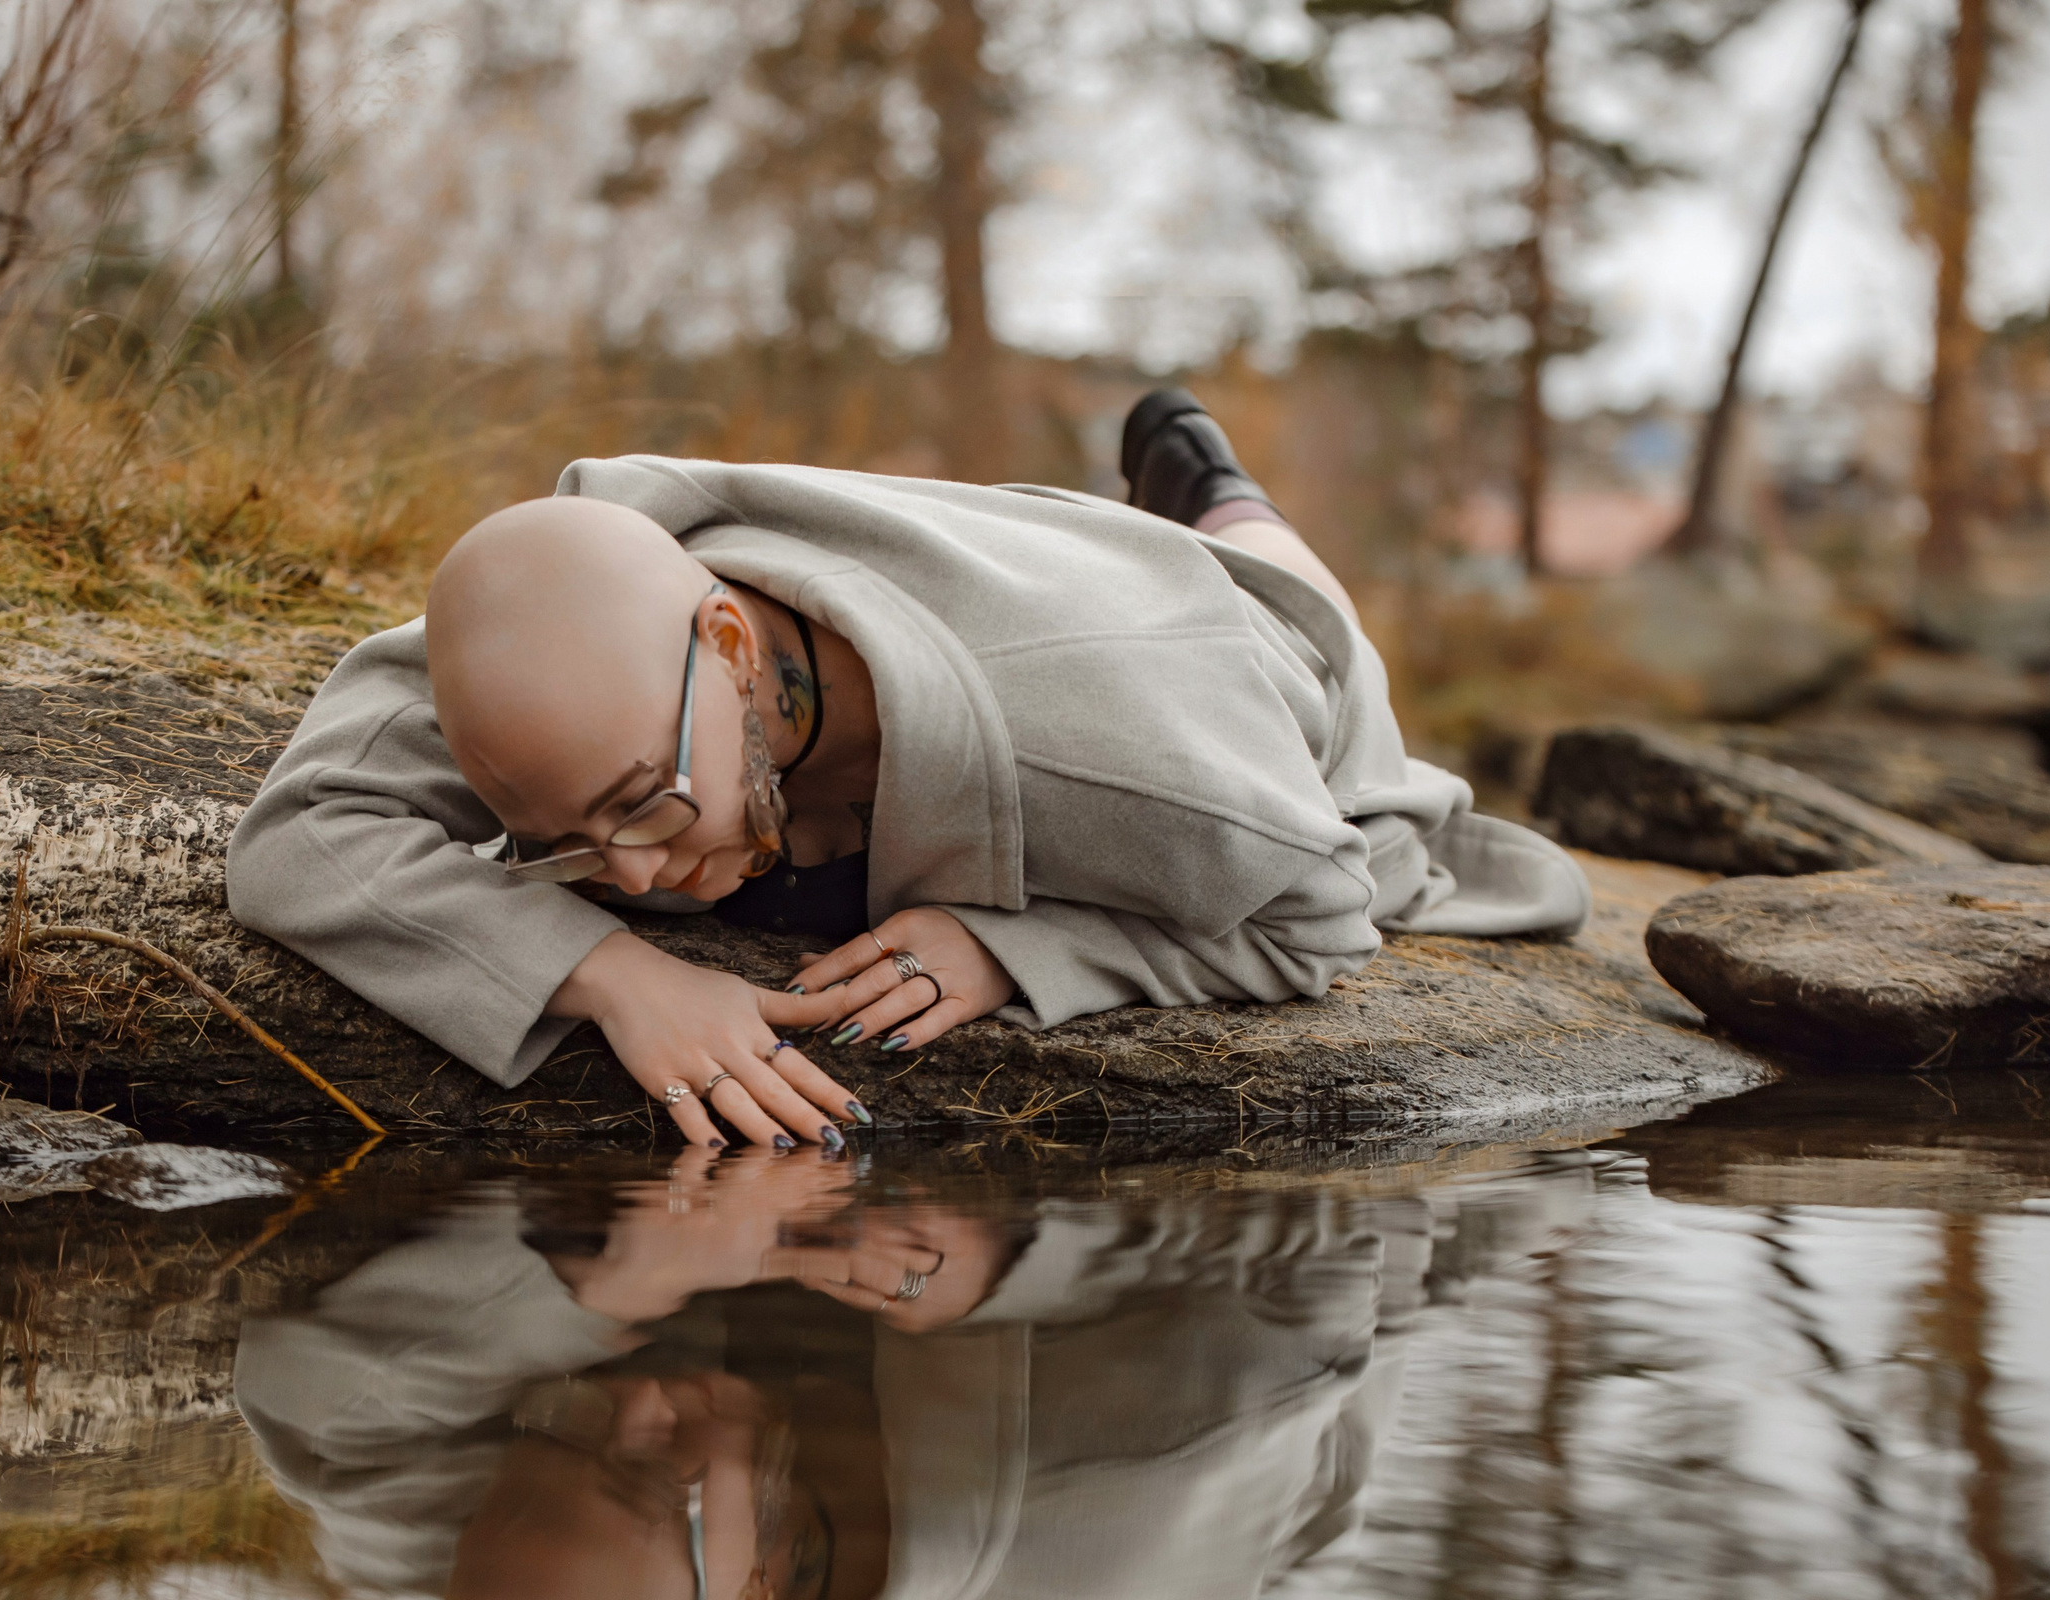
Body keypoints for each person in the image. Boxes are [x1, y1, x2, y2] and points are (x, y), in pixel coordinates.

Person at [227, 390, 1590, 1148]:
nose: (631, 868)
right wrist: (612, 971)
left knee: (1295, 601)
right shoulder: (577, 608)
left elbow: (1324, 915)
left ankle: (1222, 497)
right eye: (573, 842)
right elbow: (301, 835)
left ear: (728, 636)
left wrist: (1038, 947)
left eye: (642, 803)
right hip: (968, 554)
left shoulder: (1155, 768)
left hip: (1207, 641)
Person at [231, 1152, 1454, 1600]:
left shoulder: (501, 1586)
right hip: (1312, 1386)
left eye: (556, 1428)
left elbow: (307, 1393)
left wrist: (606, 1285)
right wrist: (1024, 1259)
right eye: (651, 1474)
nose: (626, 1399)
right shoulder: (1099, 1521)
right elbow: (1335, 1248)